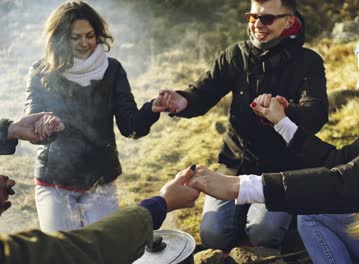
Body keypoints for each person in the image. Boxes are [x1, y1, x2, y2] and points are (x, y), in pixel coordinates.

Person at [186, 5, 359, 263]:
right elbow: (337, 159)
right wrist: (283, 123)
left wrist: (243, 186)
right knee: (309, 215)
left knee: (284, 224)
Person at [153, 0, 328, 250]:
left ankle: (293, 220)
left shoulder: (308, 61)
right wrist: (183, 100)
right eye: (252, 16)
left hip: (281, 171)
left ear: (289, 20)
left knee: (263, 234)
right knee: (213, 236)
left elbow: (317, 113)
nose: (257, 24)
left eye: (267, 18)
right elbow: (204, 91)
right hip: (234, 165)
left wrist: (285, 111)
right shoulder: (236, 54)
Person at [24, 1, 161, 232]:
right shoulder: (41, 72)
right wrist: (43, 125)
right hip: (54, 180)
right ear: (59, 37)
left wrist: (152, 109)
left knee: (104, 251)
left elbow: (130, 127)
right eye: (75, 37)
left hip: (101, 180)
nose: (85, 43)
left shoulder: (113, 70)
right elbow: (31, 121)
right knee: (62, 253)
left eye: (90, 35)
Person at [0, 114, 200, 263]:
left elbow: (131, 122)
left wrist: (9, 129)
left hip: (101, 176)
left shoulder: (111, 69)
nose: (7, 181)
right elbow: (78, 252)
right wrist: (159, 205)